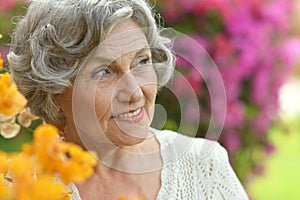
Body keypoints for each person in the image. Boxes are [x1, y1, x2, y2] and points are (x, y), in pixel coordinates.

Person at [8, 0, 249, 199]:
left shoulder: (202, 166)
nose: (135, 92)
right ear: (54, 88)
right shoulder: (22, 186)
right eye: (104, 71)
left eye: (142, 61)